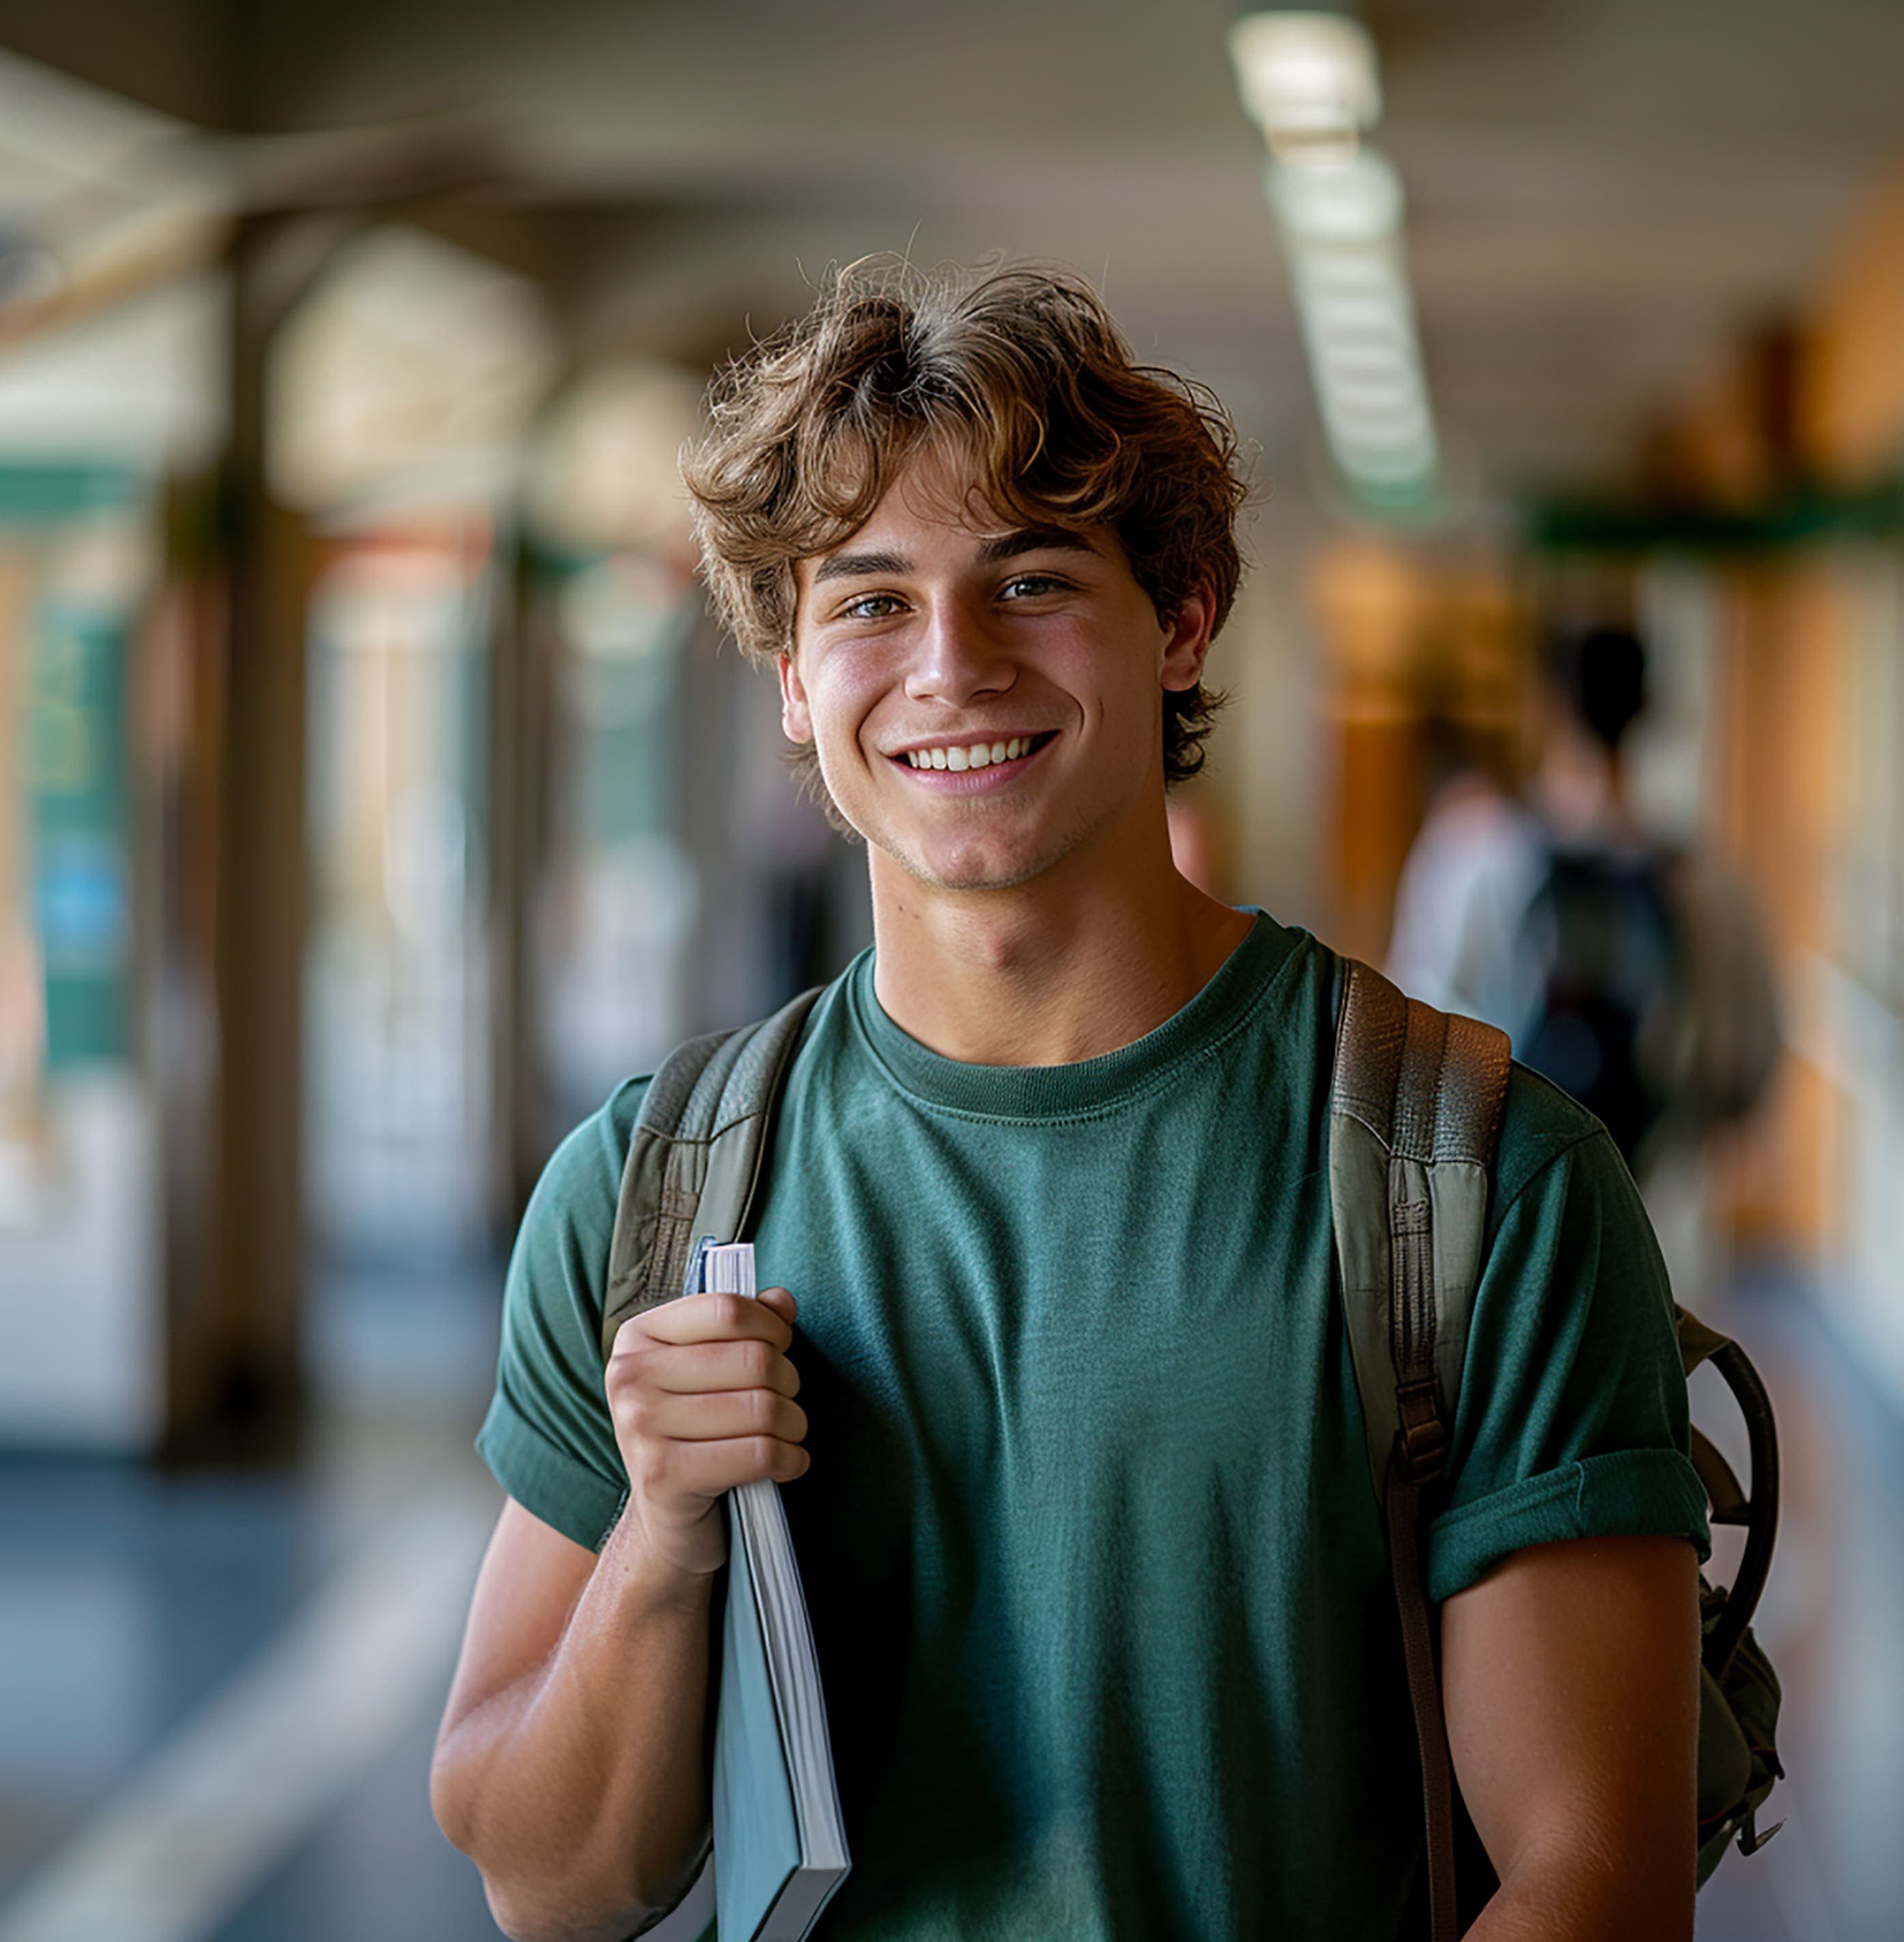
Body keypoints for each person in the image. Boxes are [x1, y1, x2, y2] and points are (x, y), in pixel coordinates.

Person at [431, 264, 1709, 1942]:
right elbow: (545, 1882)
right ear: (794, 679)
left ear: (1179, 623)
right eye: (870, 603)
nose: (950, 665)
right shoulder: (654, 1193)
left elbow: (1594, 1881)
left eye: (1029, 582)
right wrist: (666, 1538)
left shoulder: (1480, 1184)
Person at [1388, 625, 1780, 1297]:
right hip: (1656, 1231)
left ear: (1549, 708)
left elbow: (1408, 1040)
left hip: (1500, 1229)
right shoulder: (1708, 886)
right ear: (1650, 711)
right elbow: (1749, 1067)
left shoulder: (1470, 858)